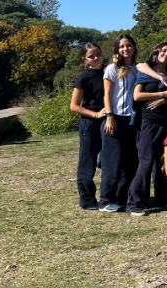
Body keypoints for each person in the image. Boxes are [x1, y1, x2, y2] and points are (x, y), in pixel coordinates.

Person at [128, 43, 167, 215]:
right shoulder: (146, 72)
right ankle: (135, 204)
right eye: (163, 51)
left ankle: (164, 198)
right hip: (149, 123)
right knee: (146, 162)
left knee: (164, 162)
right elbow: (137, 96)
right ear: (156, 53)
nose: (166, 54)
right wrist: (162, 94)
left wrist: (166, 101)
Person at [99, 34, 139, 213]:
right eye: (122, 46)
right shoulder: (112, 69)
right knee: (112, 162)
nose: (125, 49)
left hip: (133, 120)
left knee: (130, 162)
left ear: (134, 47)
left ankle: (122, 197)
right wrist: (109, 116)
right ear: (117, 49)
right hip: (115, 118)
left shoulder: (138, 68)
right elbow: (107, 95)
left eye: (128, 45)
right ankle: (106, 200)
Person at [69, 42, 106, 210]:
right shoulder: (84, 78)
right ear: (85, 59)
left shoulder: (110, 70)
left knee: (109, 158)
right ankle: (87, 199)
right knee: (87, 161)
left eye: (98, 54)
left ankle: (110, 195)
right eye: (92, 56)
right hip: (90, 123)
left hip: (108, 120)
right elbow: (74, 105)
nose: (96, 58)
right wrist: (95, 114)